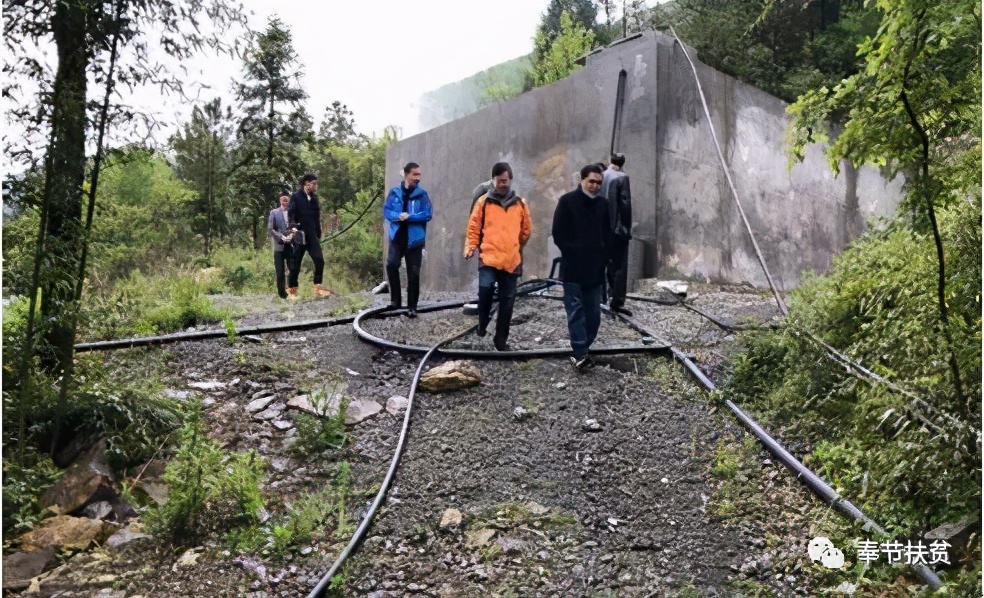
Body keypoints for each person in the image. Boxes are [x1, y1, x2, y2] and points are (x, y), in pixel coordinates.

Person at [464, 162, 532, 351]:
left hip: (511, 260)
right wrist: (471, 246)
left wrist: (517, 245)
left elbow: (526, 230)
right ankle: (482, 324)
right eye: (500, 181)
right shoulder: (484, 202)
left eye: (506, 180)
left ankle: (501, 340)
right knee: (485, 288)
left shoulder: (519, 204)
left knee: (507, 301)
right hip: (488, 257)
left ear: (510, 180)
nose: (503, 184)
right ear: (493, 181)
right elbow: (474, 226)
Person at [552, 164, 611, 370]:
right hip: (573, 270)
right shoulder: (567, 202)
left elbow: (608, 234)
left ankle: (583, 348)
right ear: (582, 180)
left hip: (595, 271)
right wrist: (572, 252)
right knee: (576, 311)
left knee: (593, 316)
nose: (594, 186)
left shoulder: (604, 205)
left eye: (598, 183)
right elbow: (558, 232)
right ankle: (580, 353)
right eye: (591, 181)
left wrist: (605, 257)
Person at [384, 162, 433, 317]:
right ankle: (395, 301)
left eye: (419, 175)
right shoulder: (395, 192)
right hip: (397, 237)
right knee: (391, 265)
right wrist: (397, 216)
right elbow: (387, 210)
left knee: (414, 273)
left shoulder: (422, 194)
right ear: (406, 175)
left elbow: (428, 214)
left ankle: (412, 306)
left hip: (414, 240)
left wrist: (410, 217)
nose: (417, 178)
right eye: (414, 174)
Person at [287, 173, 331, 298]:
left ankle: (317, 287)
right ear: (306, 184)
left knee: (319, 260)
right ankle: (292, 289)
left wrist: (318, 233)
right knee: (296, 263)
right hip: (299, 234)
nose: (316, 186)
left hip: (312, 235)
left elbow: (317, 218)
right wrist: (293, 227)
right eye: (314, 183)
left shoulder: (314, 199)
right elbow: (291, 214)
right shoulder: (296, 197)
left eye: (316, 183)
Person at [601, 152, 633, 316]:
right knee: (619, 265)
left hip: (601, 228)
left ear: (610, 160)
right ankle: (617, 300)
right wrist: (626, 228)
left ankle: (602, 297)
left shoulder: (602, 175)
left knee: (603, 263)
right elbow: (625, 204)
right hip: (616, 229)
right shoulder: (622, 177)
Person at [267, 193, 295, 299]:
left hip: (291, 245)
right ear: (280, 200)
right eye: (283, 200)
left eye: (287, 200)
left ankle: (292, 292)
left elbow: (296, 226)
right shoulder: (274, 213)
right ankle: (282, 295)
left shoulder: (293, 213)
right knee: (280, 272)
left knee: (293, 269)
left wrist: (292, 236)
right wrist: (282, 238)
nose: (285, 202)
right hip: (279, 246)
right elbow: (271, 229)